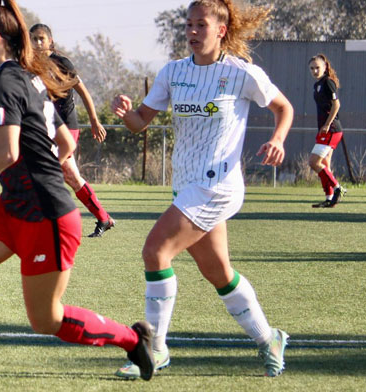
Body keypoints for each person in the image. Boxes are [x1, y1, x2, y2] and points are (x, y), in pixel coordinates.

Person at [0, 1, 155, 389]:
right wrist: (35, 172)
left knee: (45, 320)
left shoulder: (4, 80)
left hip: (45, 216)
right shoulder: (27, 78)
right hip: (14, 206)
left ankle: (133, 339)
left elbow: (7, 152)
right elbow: (64, 141)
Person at [110, 0, 293, 379]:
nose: (192, 32)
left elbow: (283, 108)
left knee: (155, 251)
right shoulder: (173, 72)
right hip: (187, 187)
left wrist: (278, 139)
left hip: (219, 186)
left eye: (201, 25)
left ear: (221, 30)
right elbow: (140, 122)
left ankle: (155, 348)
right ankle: (269, 338)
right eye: (188, 25)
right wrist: (126, 113)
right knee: (217, 271)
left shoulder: (242, 73)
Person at [29, 23, 115, 237]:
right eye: (34, 39)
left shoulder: (61, 63)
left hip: (67, 126)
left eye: (41, 38)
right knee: (72, 178)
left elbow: (82, 90)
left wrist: (95, 120)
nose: (38, 42)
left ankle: (48, 223)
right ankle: (103, 218)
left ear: (50, 41)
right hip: (47, 127)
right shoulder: (30, 65)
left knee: (50, 171)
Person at [308, 53, 345, 208]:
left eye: (318, 68)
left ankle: (337, 188)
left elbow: (336, 105)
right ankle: (330, 198)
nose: (315, 71)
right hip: (325, 130)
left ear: (325, 67)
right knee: (324, 164)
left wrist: (327, 124)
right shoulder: (317, 85)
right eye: (312, 68)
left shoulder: (328, 82)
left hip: (332, 130)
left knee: (313, 162)